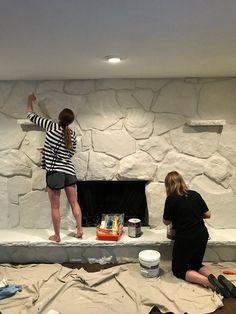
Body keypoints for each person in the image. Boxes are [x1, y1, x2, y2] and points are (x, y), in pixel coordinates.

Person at [163, 171, 232, 297]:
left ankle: (210, 283)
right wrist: (192, 212)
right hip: (202, 235)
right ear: (182, 181)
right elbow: (208, 214)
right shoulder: (195, 194)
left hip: (186, 238)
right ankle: (218, 279)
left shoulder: (171, 199)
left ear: (168, 185)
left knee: (179, 271)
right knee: (196, 264)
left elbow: (166, 221)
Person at [27, 94, 83, 243]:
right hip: (69, 171)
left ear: (59, 117)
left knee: (55, 207)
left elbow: (30, 116)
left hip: (55, 172)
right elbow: (71, 154)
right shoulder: (72, 134)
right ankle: (80, 230)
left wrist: (29, 100)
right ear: (71, 121)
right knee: (74, 203)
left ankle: (57, 236)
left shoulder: (51, 125)